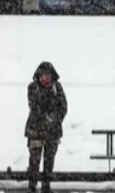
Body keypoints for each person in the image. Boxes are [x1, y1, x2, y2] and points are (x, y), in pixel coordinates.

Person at [24, 61, 68, 193]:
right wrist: (49, 116)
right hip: (35, 131)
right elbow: (35, 106)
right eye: (42, 76)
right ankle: (32, 186)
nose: (45, 78)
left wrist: (54, 120)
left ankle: (46, 186)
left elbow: (63, 107)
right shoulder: (33, 87)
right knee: (34, 162)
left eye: (47, 76)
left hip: (52, 132)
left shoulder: (57, 87)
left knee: (49, 162)